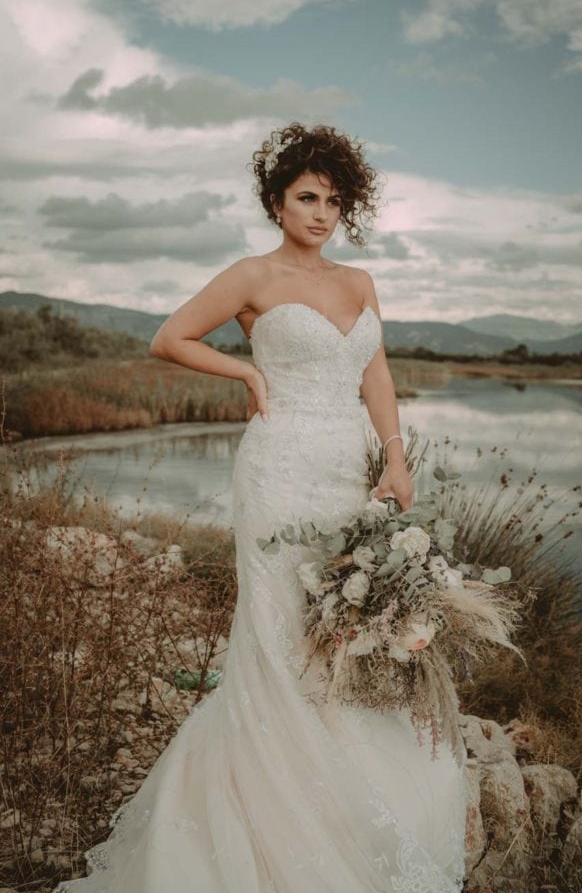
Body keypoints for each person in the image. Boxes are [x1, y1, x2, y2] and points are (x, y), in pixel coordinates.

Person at [55, 122, 468, 892]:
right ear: (277, 203)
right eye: (306, 198)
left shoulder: (359, 283)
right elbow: (169, 338)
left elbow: (374, 372)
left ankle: (348, 794)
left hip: (348, 469)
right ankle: (267, 811)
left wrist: (396, 455)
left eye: (333, 202)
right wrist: (246, 378)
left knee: (344, 628)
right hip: (278, 469)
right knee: (280, 633)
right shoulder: (251, 275)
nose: (320, 213)